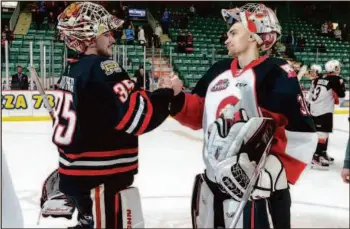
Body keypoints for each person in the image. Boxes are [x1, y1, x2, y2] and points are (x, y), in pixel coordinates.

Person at [166, 3, 317, 228]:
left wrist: (271, 174)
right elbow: (199, 114)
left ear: (255, 36)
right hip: (215, 181)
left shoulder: (275, 71)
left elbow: (301, 131)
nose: (226, 38)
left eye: (234, 32)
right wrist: (177, 98)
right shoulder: (218, 70)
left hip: (258, 188)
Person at [38, 2, 177, 229]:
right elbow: (137, 117)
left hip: (77, 179)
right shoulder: (102, 67)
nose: (113, 39)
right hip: (101, 181)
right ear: (91, 37)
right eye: (107, 33)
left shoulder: (72, 68)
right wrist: (168, 93)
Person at [309, 60, 346, 169]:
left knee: (325, 133)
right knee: (322, 135)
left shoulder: (321, 77)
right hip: (323, 110)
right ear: (334, 68)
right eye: (337, 67)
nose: (338, 68)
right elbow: (342, 95)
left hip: (317, 108)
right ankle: (315, 157)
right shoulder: (336, 79)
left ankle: (322, 153)